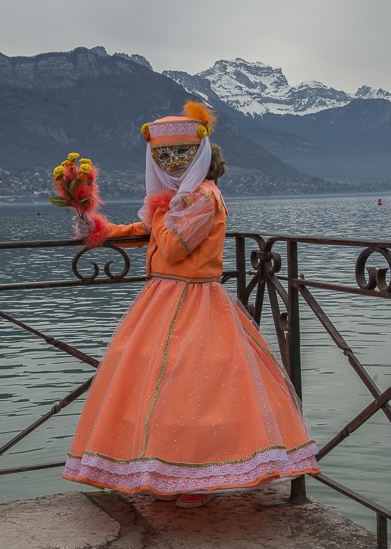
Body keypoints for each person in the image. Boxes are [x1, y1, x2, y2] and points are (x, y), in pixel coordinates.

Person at [62, 101, 319, 508]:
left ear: (199, 156)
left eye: (180, 155)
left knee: (195, 391)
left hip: (197, 300)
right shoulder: (178, 200)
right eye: (164, 157)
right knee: (158, 389)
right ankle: (165, 474)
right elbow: (145, 231)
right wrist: (97, 226)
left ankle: (195, 479)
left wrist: (160, 209)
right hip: (163, 298)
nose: (172, 164)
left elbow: (173, 245)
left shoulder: (203, 199)